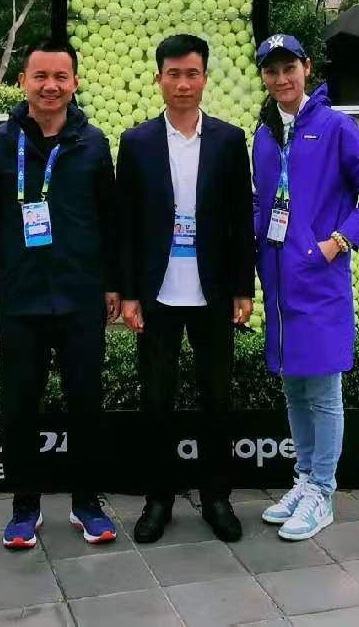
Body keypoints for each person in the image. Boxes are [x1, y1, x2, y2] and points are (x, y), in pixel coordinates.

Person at [0, 40, 122, 550]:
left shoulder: (93, 144)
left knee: (86, 405)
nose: (50, 86)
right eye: (40, 76)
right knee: (19, 407)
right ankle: (24, 507)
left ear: (74, 82)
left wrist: (112, 284)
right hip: (20, 298)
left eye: (60, 76)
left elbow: (109, 221)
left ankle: (87, 503)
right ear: (23, 82)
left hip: (80, 298)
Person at [251, 34, 359, 542]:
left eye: (289, 68)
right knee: (293, 385)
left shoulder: (336, 127)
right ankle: (304, 478)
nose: (281, 79)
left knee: (325, 391)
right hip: (278, 281)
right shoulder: (264, 134)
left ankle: (323, 493)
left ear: (306, 69)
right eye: (271, 71)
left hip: (320, 281)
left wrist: (336, 243)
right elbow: (261, 201)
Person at [116, 34, 255, 544]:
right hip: (157, 295)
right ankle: (159, 499)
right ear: (159, 79)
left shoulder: (228, 140)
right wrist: (129, 293)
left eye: (191, 74)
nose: (182, 84)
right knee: (157, 401)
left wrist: (243, 287)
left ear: (205, 78)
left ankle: (217, 498)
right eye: (173, 74)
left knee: (217, 398)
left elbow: (241, 218)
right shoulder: (136, 143)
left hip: (213, 293)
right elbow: (125, 224)